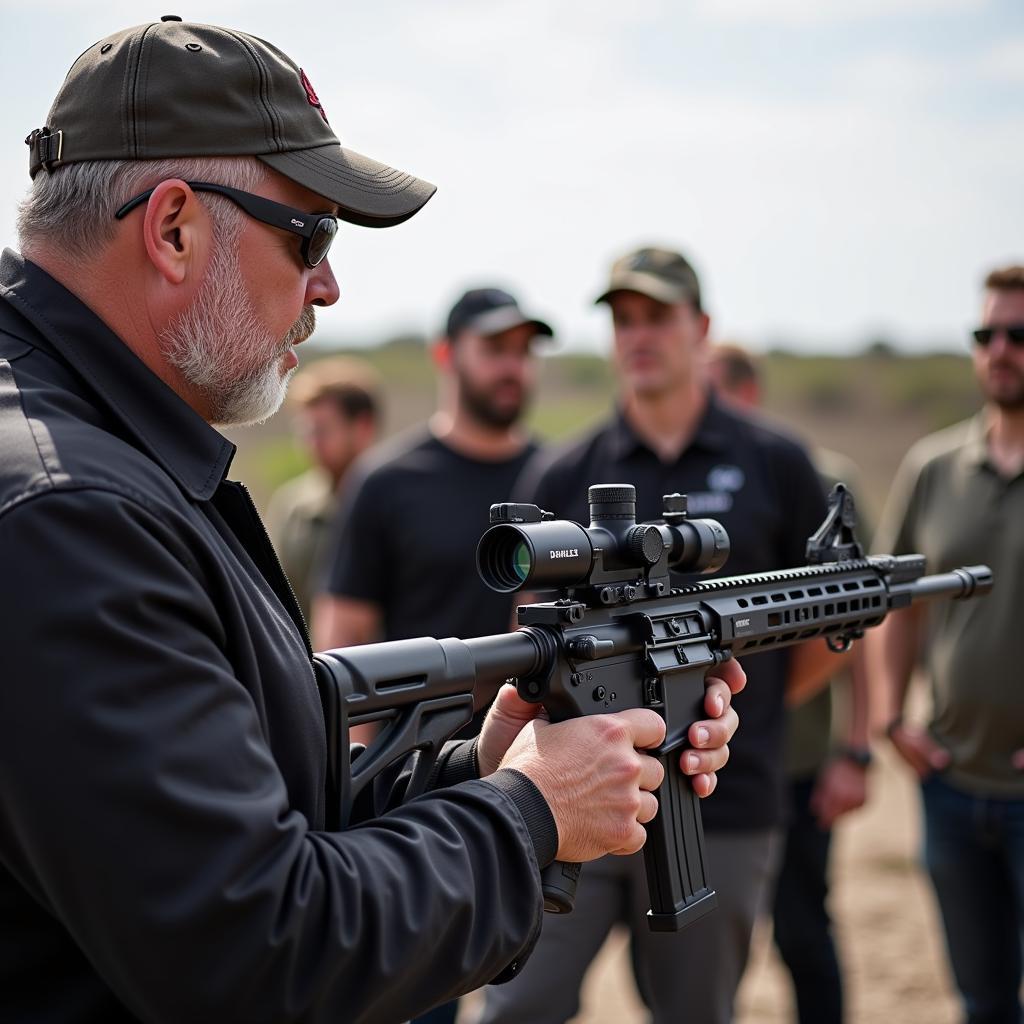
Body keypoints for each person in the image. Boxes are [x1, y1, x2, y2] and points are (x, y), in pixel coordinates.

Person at [0, 20, 744, 1023]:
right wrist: (527, 813)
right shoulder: (70, 510)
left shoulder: (90, 452)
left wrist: (488, 762)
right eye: (308, 234)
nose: (328, 284)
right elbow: (254, 953)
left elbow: (262, 815)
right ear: (173, 228)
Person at [481, 246, 833, 1024]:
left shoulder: (776, 461)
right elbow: (532, 637)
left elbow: (811, 627)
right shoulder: (562, 470)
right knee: (515, 1007)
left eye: (658, 317)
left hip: (719, 798)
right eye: (623, 319)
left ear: (701, 327)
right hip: (571, 790)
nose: (638, 336)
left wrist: (693, 706)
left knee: (696, 1010)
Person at [314, 285, 552, 1024]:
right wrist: (354, 774)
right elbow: (342, 638)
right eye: (495, 349)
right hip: (410, 781)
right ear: (448, 356)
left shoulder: (558, 476)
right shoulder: (388, 482)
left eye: (524, 350)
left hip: (533, 768)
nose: (513, 367)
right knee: (419, 998)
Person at [870, 265, 1024, 1024]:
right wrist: (894, 721)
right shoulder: (932, 469)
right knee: (980, 999)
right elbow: (898, 606)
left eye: (1018, 335)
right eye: (986, 334)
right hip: (951, 785)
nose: (1001, 350)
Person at [708, 341, 872, 1024]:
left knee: (805, 933)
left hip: (796, 756)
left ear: (744, 395)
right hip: (709, 760)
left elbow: (854, 629)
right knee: (703, 944)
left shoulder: (814, 478)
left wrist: (854, 749)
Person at [264, 355, 381, 624]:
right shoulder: (294, 506)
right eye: (307, 432)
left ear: (362, 427)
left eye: (323, 431)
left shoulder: (397, 500)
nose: (311, 443)